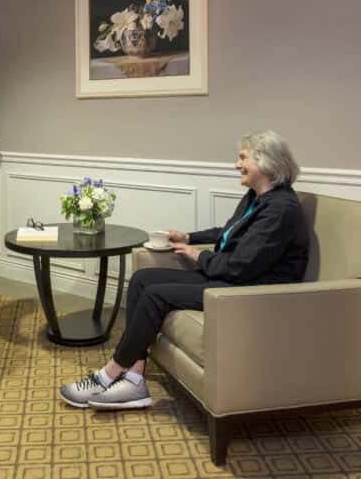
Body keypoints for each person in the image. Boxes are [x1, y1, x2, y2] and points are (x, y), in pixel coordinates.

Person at [60, 130, 308, 410]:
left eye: (242, 158)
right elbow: (229, 233)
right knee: (142, 279)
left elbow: (242, 267)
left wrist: (198, 256)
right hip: (232, 277)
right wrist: (189, 238)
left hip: (252, 290)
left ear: (266, 162)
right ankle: (134, 380)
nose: (236, 165)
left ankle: (108, 374)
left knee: (156, 295)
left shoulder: (281, 209)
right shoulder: (257, 196)